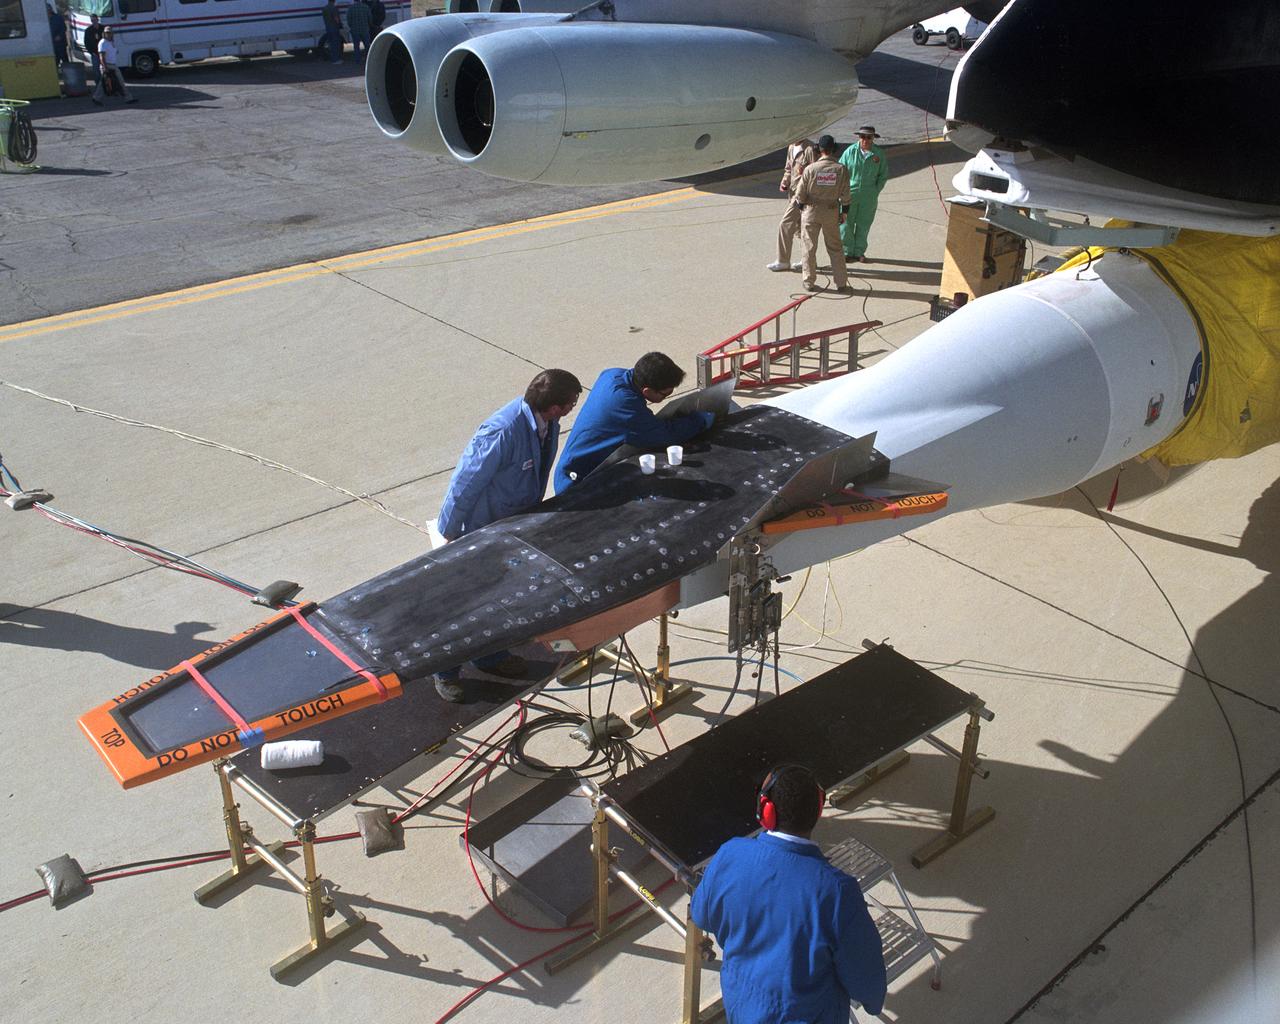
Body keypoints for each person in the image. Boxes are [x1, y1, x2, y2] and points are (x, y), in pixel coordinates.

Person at [691, 765, 888, 1024]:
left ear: (766, 810)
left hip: (742, 1006)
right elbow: (865, 974)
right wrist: (873, 1003)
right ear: (818, 810)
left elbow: (701, 916)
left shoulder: (730, 853)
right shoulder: (838, 892)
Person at [433, 368, 582, 702]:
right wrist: (450, 533)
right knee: (466, 605)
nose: (573, 407)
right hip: (480, 529)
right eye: (571, 402)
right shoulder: (502, 430)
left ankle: (489, 655)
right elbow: (466, 481)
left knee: (501, 600)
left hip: (512, 526)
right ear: (556, 407)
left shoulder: (546, 424)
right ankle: (446, 671)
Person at [553, 352, 714, 493]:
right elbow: (664, 434)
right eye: (665, 394)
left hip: (584, 467)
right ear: (647, 391)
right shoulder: (624, 405)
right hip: (577, 480)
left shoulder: (613, 374)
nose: (668, 395)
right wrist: (701, 420)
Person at [795, 135, 853, 294]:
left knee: (808, 247)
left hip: (811, 211)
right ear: (834, 149)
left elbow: (800, 194)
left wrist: (802, 207)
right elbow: (846, 194)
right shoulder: (841, 169)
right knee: (835, 247)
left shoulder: (810, 169)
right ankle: (841, 283)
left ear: (818, 149)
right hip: (831, 211)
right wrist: (844, 212)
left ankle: (808, 282)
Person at [838, 126, 889, 263]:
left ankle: (859, 252)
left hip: (869, 195)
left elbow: (883, 175)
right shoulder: (850, 152)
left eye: (868, 137)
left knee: (864, 224)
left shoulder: (878, 154)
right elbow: (840, 171)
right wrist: (842, 191)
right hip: (850, 193)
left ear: (873, 138)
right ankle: (847, 251)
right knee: (846, 223)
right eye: (862, 137)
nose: (865, 140)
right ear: (858, 137)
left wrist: (875, 191)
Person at [767, 137, 816, 273]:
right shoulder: (791, 147)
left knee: (785, 224)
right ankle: (808, 260)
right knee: (799, 228)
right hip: (792, 191)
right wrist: (785, 181)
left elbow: (814, 172)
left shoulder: (809, 149)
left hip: (802, 195)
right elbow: (788, 169)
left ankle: (783, 261)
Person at [92, 27, 135, 105]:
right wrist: (105, 67)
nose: (109, 34)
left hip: (113, 65)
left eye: (110, 33)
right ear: (104, 33)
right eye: (107, 33)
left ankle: (96, 98)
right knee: (119, 82)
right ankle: (128, 98)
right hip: (108, 65)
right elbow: (101, 57)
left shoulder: (111, 42)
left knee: (104, 84)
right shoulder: (103, 43)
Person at [83, 14, 104, 84]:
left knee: (106, 69)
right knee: (96, 70)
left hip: (104, 53)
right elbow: (86, 43)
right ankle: (98, 85)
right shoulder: (88, 30)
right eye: (92, 20)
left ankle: (107, 84)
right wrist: (91, 52)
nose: (93, 22)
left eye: (94, 20)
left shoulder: (103, 28)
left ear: (97, 19)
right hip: (95, 53)